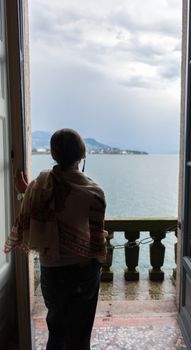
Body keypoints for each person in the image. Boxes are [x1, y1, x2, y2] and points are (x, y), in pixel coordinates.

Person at [4, 128, 108, 350]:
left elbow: (32, 217)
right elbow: (98, 242)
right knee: (79, 337)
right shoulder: (94, 192)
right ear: (82, 155)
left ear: (53, 155)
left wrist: (24, 192)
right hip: (82, 273)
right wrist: (97, 265)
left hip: (52, 270)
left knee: (56, 332)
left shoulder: (39, 187)